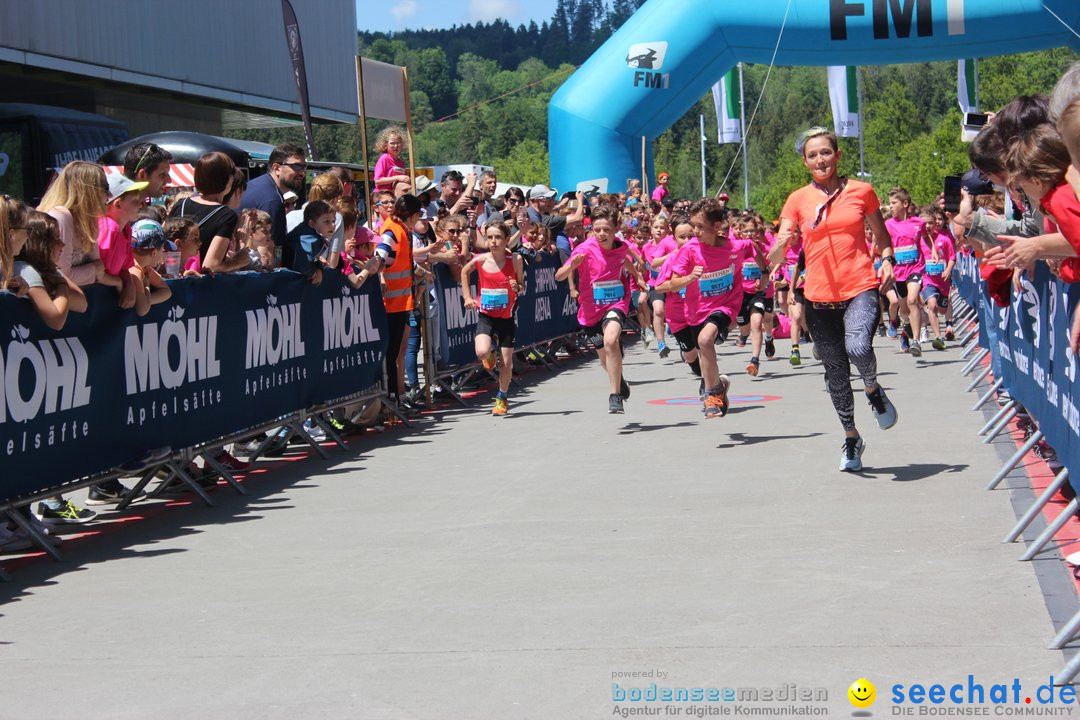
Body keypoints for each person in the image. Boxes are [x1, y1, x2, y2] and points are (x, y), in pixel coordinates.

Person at [770, 126, 898, 472]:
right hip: (818, 297)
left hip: (859, 286)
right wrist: (779, 252)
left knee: (858, 347)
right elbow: (783, 235)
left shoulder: (862, 191)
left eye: (826, 152)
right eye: (812, 155)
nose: (820, 159)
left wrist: (886, 260)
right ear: (805, 161)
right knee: (835, 374)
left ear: (838, 155)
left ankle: (873, 389)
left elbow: (883, 237)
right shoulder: (798, 199)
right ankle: (852, 438)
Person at [555, 206, 646, 414]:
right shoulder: (584, 249)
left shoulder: (621, 247)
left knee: (611, 340)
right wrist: (571, 266)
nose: (602, 234)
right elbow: (559, 276)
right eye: (597, 230)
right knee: (604, 359)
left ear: (615, 230)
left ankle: (614, 396)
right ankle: (619, 379)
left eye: (606, 229)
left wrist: (637, 277)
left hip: (616, 302)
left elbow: (624, 260)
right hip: (590, 310)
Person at [670, 199, 756, 418]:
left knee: (705, 340)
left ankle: (711, 394)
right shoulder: (690, 250)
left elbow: (754, 250)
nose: (694, 231)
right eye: (693, 225)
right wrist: (690, 277)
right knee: (702, 348)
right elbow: (673, 283)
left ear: (717, 226)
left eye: (700, 226)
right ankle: (719, 385)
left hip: (726, 305)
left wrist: (764, 275)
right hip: (696, 310)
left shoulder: (735, 246)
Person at [460, 221, 525, 416]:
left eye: (498, 237)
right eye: (490, 237)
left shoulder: (515, 259)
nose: (493, 241)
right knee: (481, 352)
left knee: (506, 363)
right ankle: (489, 354)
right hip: (487, 315)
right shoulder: (481, 260)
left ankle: (502, 397)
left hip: (506, 317)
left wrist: (517, 287)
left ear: (507, 240)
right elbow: (464, 271)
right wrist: (467, 297)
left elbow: (521, 285)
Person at [371, 194, 421, 406]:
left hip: (399, 302)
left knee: (393, 353)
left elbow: (401, 262)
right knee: (390, 354)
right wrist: (379, 272)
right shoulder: (393, 230)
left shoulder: (401, 230)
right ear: (414, 215)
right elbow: (380, 255)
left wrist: (422, 272)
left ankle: (395, 398)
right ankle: (392, 399)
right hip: (391, 303)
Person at [167, 152, 249, 274]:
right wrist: (237, 261)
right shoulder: (226, 215)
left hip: (173, 279)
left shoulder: (181, 204)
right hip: (200, 286)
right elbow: (211, 266)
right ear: (227, 179)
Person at [37, 161, 114, 290]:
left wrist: (118, 282)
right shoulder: (61, 215)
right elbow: (62, 277)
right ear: (88, 191)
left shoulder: (89, 218)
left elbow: (99, 267)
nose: (110, 195)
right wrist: (93, 270)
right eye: (105, 188)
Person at [883, 187, 926, 356]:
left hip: (915, 268)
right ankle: (905, 330)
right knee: (904, 311)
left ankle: (916, 341)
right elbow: (884, 245)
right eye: (890, 203)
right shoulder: (888, 225)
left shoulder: (918, 223)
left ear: (905, 203)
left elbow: (925, 239)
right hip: (899, 271)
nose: (891, 206)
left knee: (913, 300)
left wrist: (934, 252)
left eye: (894, 203)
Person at [239, 142, 306, 247]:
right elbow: (267, 248)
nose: (302, 173)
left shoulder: (258, 185)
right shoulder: (272, 200)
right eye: (297, 166)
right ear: (277, 168)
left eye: (304, 167)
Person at [97, 174, 149, 310]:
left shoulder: (126, 228)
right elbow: (97, 273)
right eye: (135, 201)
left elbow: (124, 267)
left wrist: (129, 284)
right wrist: (120, 283)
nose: (141, 204)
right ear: (118, 204)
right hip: (97, 303)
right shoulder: (108, 229)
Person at [919, 207, 955, 350]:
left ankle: (943, 323)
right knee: (932, 305)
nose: (927, 226)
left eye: (930, 223)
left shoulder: (944, 240)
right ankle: (938, 337)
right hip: (928, 280)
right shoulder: (919, 241)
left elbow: (952, 257)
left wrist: (947, 269)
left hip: (943, 281)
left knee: (942, 310)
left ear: (935, 224)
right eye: (924, 224)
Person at [286, 200, 334, 285]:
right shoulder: (310, 239)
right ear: (312, 223)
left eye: (333, 221)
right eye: (327, 221)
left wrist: (318, 266)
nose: (332, 225)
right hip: (289, 282)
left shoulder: (311, 235)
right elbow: (302, 263)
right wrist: (314, 273)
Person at [373, 126, 410, 194]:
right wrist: (397, 177)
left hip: (395, 196)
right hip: (383, 196)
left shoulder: (401, 162)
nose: (396, 146)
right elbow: (377, 180)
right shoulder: (384, 158)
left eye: (398, 143)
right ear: (385, 145)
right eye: (392, 143)